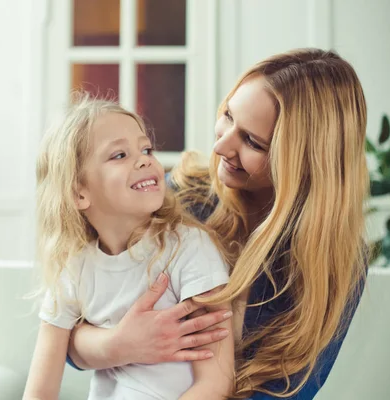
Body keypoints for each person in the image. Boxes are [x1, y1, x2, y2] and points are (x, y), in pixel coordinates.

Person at [66, 48, 369, 399]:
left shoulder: (328, 266)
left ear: (304, 164)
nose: (222, 145)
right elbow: (67, 329)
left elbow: (284, 392)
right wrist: (119, 344)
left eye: (253, 141)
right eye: (228, 115)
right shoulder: (176, 196)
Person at [23, 94, 236, 400]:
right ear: (79, 193)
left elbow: (215, 385)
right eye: (119, 155)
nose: (145, 159)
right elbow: (39, 390)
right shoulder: (73, 268)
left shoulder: (189, 248)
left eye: (146, 148)